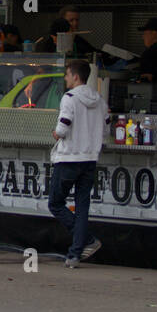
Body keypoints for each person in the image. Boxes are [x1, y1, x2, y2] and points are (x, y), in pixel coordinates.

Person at [49, 59, 106, 269]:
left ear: (75, 76)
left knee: (55, 203)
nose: (65, 78)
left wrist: (56, 134)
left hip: (69, 158)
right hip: (90, 158)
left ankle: (87, 241)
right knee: (83, 206)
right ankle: (74, 254)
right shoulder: (99, 99)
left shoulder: (69, 98)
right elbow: (106, 127)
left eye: (67, 74)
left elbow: (63, 127)